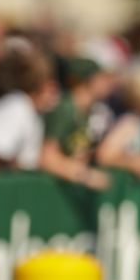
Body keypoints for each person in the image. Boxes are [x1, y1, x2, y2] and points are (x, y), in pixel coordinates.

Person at [0, 45, 58, 178]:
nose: (55, 92)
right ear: (39, 85)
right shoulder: (18, 107)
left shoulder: (31, 111)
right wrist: (13, 166)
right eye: (50, 85)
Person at [40, 57, 115, 189]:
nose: (108, 83)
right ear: (88, 80)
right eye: (102, 78)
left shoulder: (88, 111)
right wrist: (85, 176)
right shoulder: (65, 108)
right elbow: (47, 156)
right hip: (50, 189)